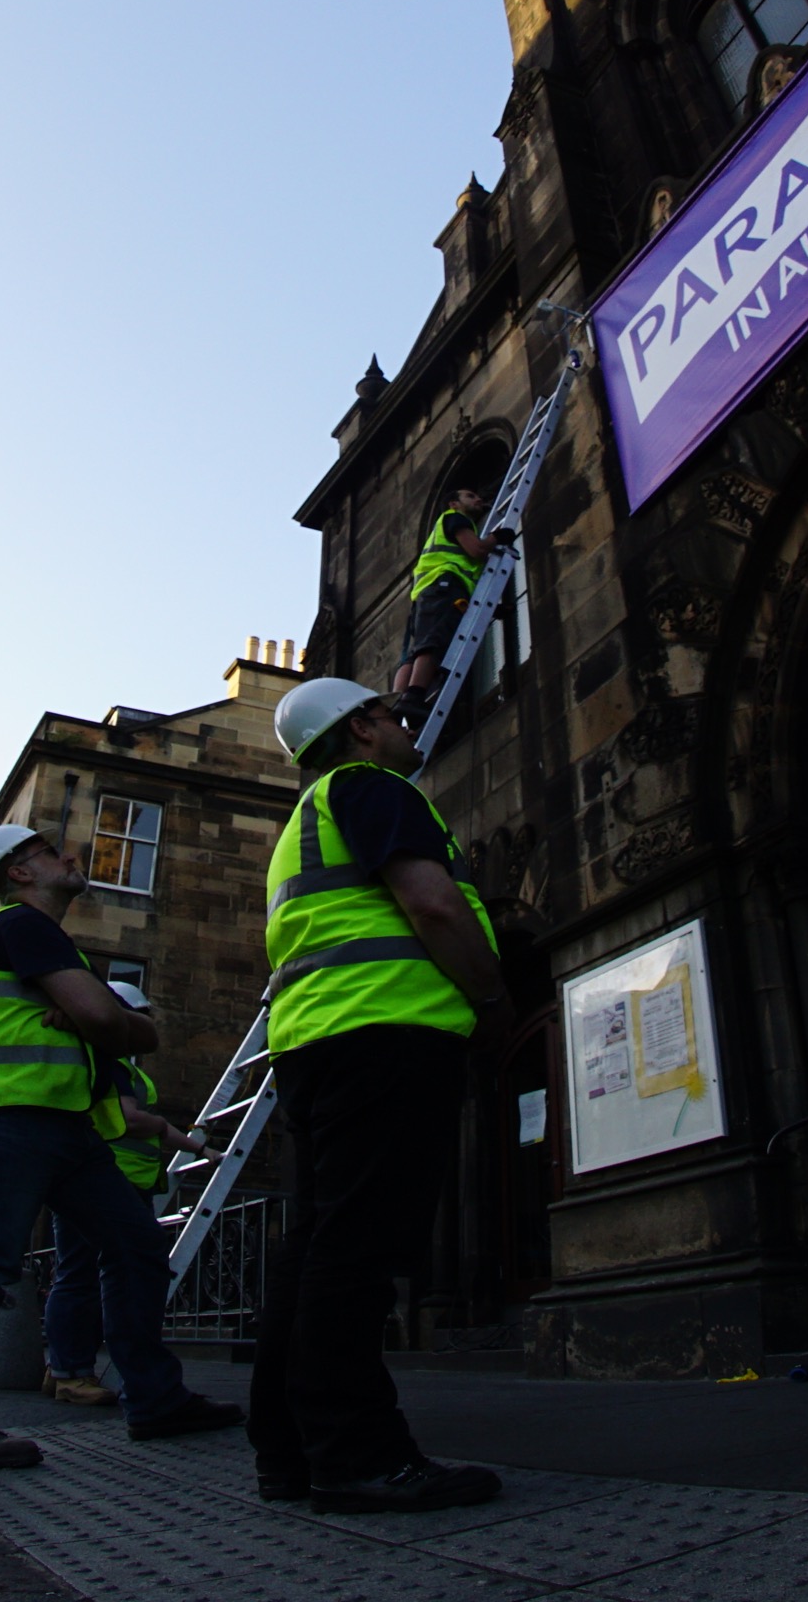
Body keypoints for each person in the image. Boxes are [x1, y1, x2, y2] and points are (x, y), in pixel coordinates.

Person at [251, 679, 510, 1515]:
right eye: (391, 714)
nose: (404, 726)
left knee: (319, 1248)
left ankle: (290, 1452)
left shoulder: (304, 822)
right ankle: (358, 1455)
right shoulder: (372, 788)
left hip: (318, 1044)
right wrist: (491, 1000)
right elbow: (432, 905)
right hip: (385, 1035)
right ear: (360, 727)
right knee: (357, 1255)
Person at [0, 822, 245, 1469]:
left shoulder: (49, 942)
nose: (69, 855)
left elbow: (127, 1029)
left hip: (65, 1126)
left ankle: (154, 1398)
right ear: (19, 873)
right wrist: (112, 1022)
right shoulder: (20, 927)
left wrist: (113, 1021)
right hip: (13, 1118)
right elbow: (117, 1026)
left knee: (137, 1246)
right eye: (46, 850)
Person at [45, 984, 203, 1406]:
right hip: (100, 1178)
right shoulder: (109, 1061)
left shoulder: (126, 1070)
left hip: (112, 1178)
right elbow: (130, 1121)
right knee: (83, 1273)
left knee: (82, 1272)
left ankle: (64, 1367)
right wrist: (152, 1124)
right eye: (137, 1014)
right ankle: (70, 1372)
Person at [388, 484, 503, 729]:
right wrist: (498, 538)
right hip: (443, 585)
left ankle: (395, 709)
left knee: (414, 652)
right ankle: (414, 695)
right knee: (433, 641)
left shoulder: (445, 525)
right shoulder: (454, 519)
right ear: (454, 503)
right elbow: (478, 550)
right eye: (470, 496)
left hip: (427, 593)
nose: (477, 499)